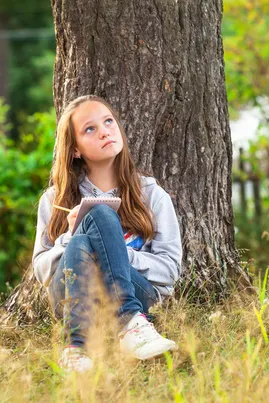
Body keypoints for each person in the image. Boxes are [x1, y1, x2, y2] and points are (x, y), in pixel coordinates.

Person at [32, 95, 182, 372]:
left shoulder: (151, 195)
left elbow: (170, 271)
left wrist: (115, 252)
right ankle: (104, 337)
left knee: (100, 215)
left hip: (138, 294)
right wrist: (69, 236)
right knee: (93, 222)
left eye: (109, 121)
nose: (105, 131)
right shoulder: (54, 199)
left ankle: (88, 341)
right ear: (75, 148)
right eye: (90, 129)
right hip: (72, 295)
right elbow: (41, 270)